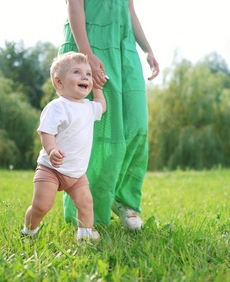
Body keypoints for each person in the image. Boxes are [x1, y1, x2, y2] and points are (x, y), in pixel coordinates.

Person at [59, 0, 160, 230]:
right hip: (90, 43)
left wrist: (148, 50)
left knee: (137, 125)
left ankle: (122, 199)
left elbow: (129, 10)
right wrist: (86, 56)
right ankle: (85, 211)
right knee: (94, 131)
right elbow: (74, 6)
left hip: (124, 48)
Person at [21, 51, 107, 241]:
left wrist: (98, 88)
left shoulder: (88, 107)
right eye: (77, 72)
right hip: (51, 168)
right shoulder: (57, 106)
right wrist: (51, 150)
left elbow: (101, 105)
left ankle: (84, 237)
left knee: (86, 203)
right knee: (42, 206)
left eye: (88, 74)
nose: (85, 76)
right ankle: (29, 231)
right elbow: (46, 132)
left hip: (76, 173)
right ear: (59, 82)